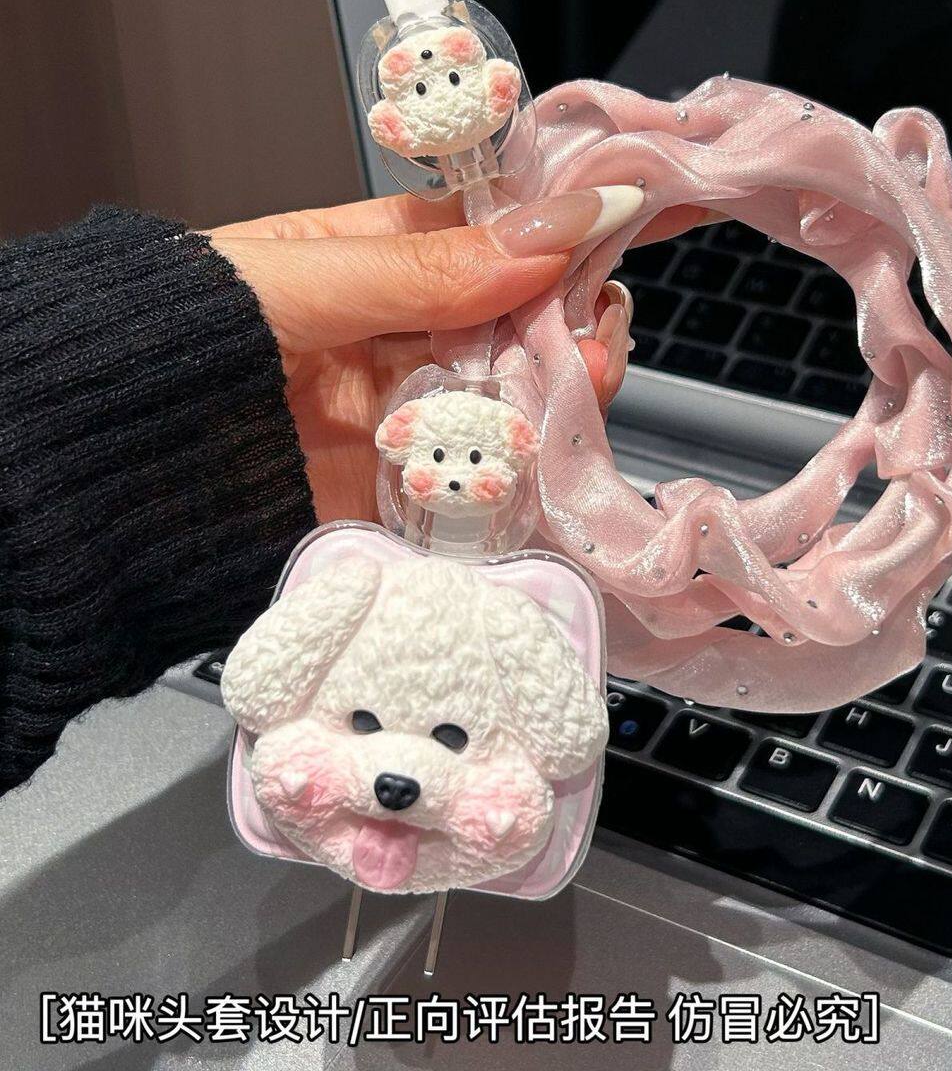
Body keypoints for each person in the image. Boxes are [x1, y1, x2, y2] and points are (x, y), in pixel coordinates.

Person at [0, 188, 705, 795]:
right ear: (402, 439)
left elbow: (562, 723)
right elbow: (262, 680)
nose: (454, 475)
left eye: (472, 459)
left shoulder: (497, 590)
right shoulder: (369, 569)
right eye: (439, 456)